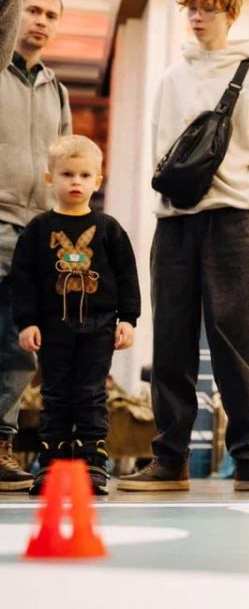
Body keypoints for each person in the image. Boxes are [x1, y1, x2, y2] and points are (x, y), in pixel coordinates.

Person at [118, 0, 249, 492]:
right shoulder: (171, 77)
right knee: (171, 341)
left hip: (232, 221)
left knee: (238, 344)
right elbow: (160, 149)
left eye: (209, 8)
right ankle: (169, 460)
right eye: (191, 7)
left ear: (230, 14)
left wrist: (230, 187)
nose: (197, 17)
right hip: (174, 222)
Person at [11, 136, 139, 495]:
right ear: (49, 178)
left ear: (97, 181)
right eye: (67, 174)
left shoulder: (109, 229)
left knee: (90, 393)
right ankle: (51, 462)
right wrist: (27, 321)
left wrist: (127, 319)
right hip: (53, 328)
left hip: (99, 328)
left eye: (84, 175)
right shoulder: (38, 230)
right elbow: (23, 280)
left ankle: (92, 462)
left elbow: (127, 277)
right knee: (54, 394)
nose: (76, 182)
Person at [0, 0, 70, 491]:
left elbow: (67, 163)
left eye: (50, 15)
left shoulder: (56, 90)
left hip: (34, 235)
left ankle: (0, 443)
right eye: (33, 10)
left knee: (18, 346)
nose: (41, 21)